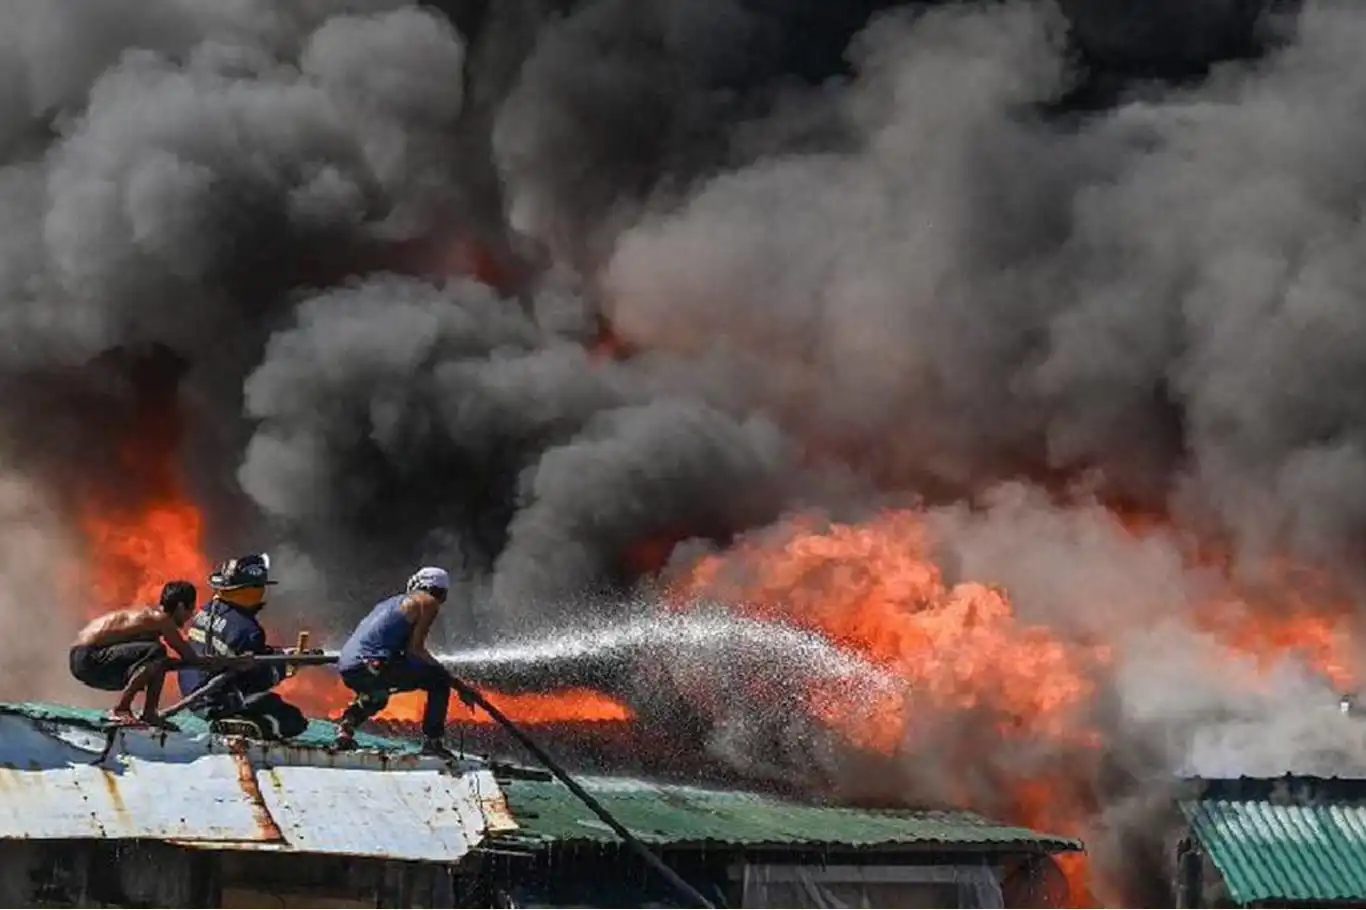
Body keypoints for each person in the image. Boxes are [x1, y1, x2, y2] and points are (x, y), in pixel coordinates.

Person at [335, 566, 468, 757]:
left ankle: (346, 729)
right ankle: (433, 742)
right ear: (441, 592)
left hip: (349, 667)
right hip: (372, 666)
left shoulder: (389, 603)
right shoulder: (427, 602)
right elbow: (416, 650)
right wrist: (456, 683)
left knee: (378, 695)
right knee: (438, 680)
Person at [178, 553, 310, 741]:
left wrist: (280, 654)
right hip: (216, 700)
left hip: (191, 695)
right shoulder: (248, 629)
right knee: (292, 720)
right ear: (252, 590)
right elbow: (254, 680)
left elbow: (238, 653)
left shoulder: (207, 610)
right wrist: (283, 668)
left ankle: (234, 718)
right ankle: (244, 725)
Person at [69, 580, 206, 729]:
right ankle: (122, 708)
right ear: (180, 607)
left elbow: (163, 664)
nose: (190, 616)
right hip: (87, 658)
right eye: (191, 609)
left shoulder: (150, 621)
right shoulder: (161, 620)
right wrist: (228, 662)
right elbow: (190, 657)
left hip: (83, 659)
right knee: (157, 651)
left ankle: (150, 713)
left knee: (158, 659)